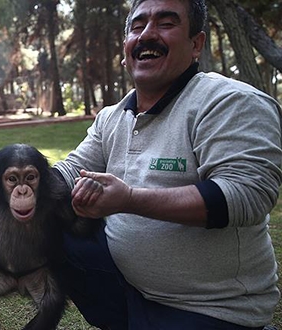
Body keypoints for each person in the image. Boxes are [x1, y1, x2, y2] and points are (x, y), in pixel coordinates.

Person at [55, 0, 281, 328]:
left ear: (196, 44)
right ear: (125, 48)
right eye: (137, 25)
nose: (147, 34)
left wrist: (130, 199)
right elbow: (69, 171)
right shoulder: (112, 116)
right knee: (46, 227)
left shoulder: (230, 101)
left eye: (166, 23)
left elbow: (245, 195)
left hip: (211, 307)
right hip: (126, 286)